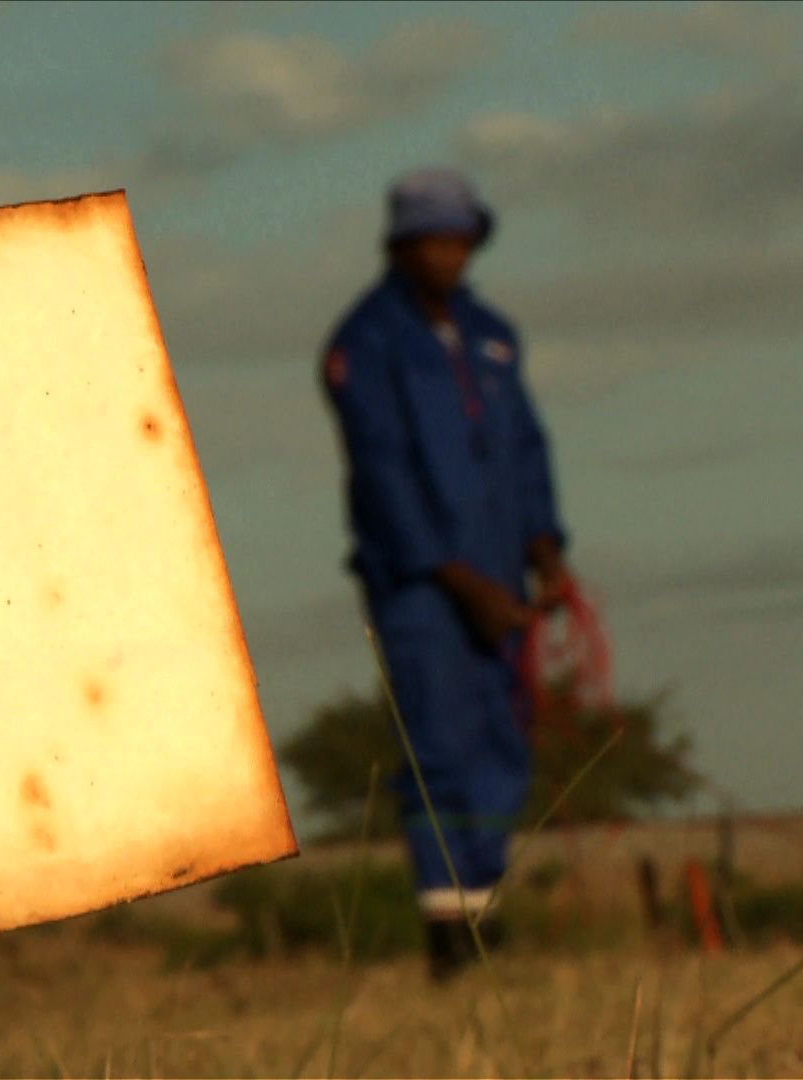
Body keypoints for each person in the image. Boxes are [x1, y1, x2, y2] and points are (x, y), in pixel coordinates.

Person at [319, 167, 572, 981]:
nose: (448, 254)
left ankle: (484, 907)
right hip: (424, 586)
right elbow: (384, 477)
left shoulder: (494, 334)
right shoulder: (363, 344)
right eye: (433, 239)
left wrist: (547, 554)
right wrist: (466, 585)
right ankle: (449, 940)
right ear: (400, 245)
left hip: (505, 578)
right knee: (439, 746)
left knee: (504, 738)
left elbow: (527, 450)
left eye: (460, 238)